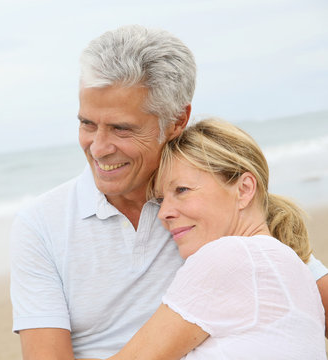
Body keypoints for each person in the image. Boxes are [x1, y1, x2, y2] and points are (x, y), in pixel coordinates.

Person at [9, 25, 328, 359]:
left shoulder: (210, 211)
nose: (98, 148)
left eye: (121, 128)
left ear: (177, 120)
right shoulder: (41, 224)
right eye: (87, 124)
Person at [91, 118, 325, 359]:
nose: (163, 213)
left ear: (244, 189)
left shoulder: (228, 256)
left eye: (181, 190)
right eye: (161, 200)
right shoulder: (295, 270)